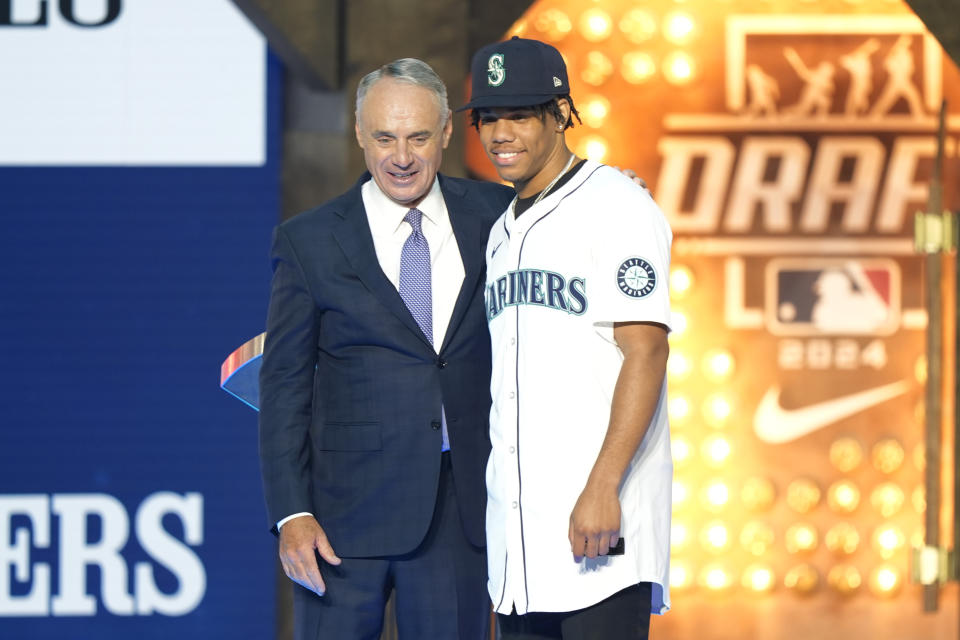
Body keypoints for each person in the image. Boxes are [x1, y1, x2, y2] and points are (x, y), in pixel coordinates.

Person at [258, 58, 514, 640]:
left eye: (419, 137)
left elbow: (569, 222)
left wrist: (614, 194)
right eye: (384, 137)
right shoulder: (310, 240)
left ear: (448, 132)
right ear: (358, 135)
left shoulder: (499, 219)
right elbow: (284, 389)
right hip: (340, 520)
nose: (402, 156)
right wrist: (291, 513)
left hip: (459, 514)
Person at [461, 37, 673, 639]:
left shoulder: (617, 204)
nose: (501, 132)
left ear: (560, 115)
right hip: (520, 544)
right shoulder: (502, 229)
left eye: (520, 114)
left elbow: (647, 349)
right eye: (489, 117)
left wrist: (603, 486)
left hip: (600, 530)